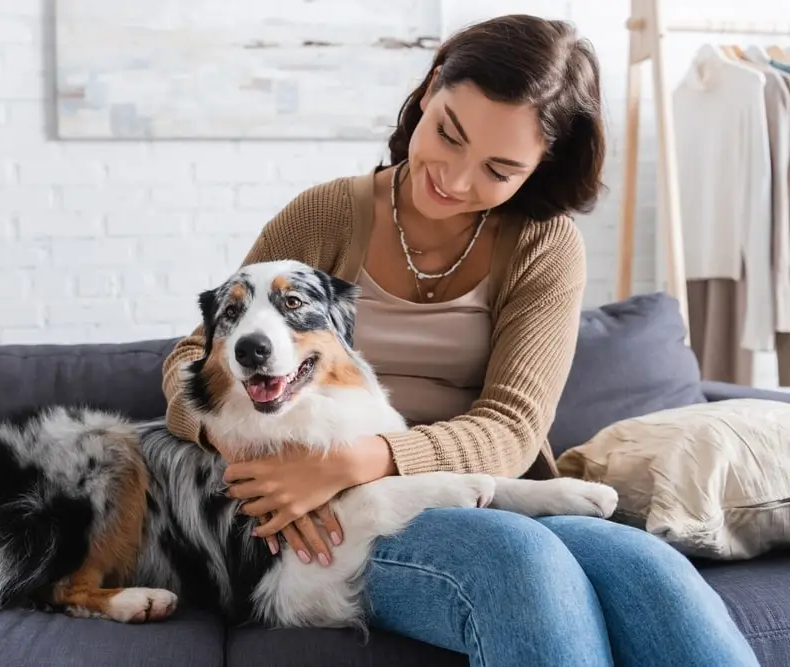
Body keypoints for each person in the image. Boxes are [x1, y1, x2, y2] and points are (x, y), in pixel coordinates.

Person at [160, 14, 760, 667]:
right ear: (430, 87)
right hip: (356, 515)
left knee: (653, 575)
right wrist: (245, 448)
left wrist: (357, 457)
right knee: (521, 567)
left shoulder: (545, 246)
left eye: (499, 169)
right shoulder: (328, 213)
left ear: (540, 169)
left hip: (489, 487)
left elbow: (513, 426)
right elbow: (193, 357)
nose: (454, 178)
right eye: (449, 133)